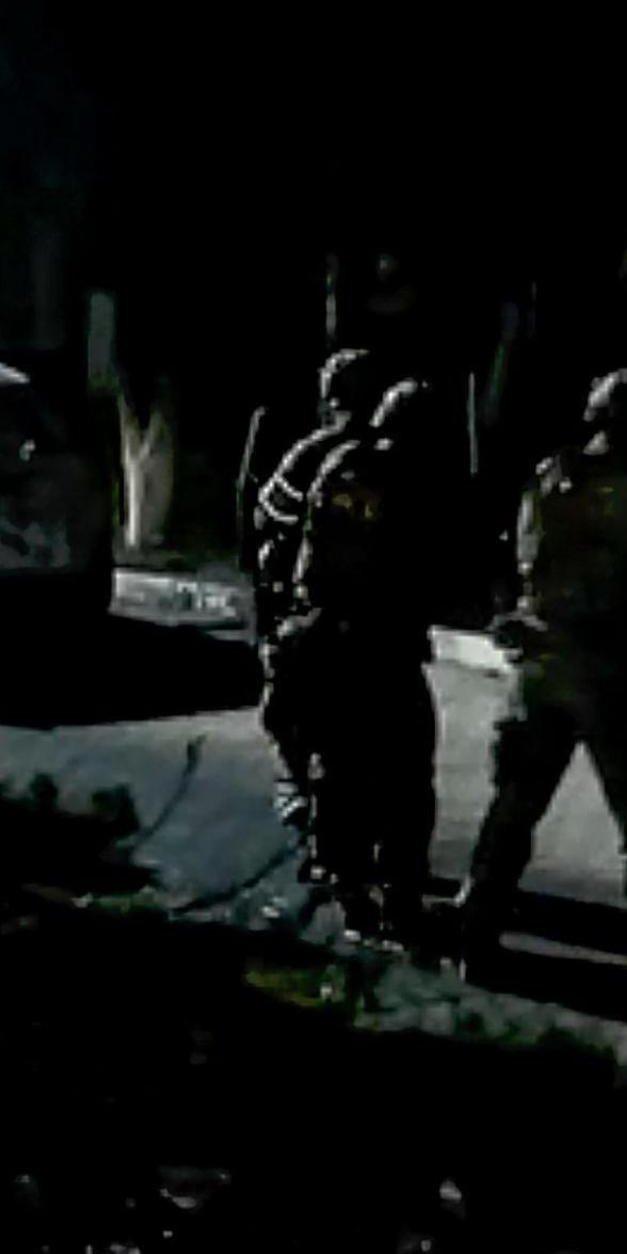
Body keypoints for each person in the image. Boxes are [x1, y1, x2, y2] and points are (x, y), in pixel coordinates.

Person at [455, 368, 627, 977]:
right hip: (609, 677)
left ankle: (475, 927)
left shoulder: (550, 481)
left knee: (514, 806)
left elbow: (523, 563)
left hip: (544, 669)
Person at [281, 377, 466, 938]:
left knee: (341, 770)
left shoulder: (344, 466)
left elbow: (311, 557)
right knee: (406, 778)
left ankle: (350, 889)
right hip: (378, 647)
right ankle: (397, 897)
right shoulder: (407, 482)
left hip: (334, 641)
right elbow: (423, 569)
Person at [246, 348, 391, 875]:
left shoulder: (315, 452)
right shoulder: (395, 454)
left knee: (292, 719)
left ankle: (316, 824)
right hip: (379, 623)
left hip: (314, 616)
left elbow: (268, 514)